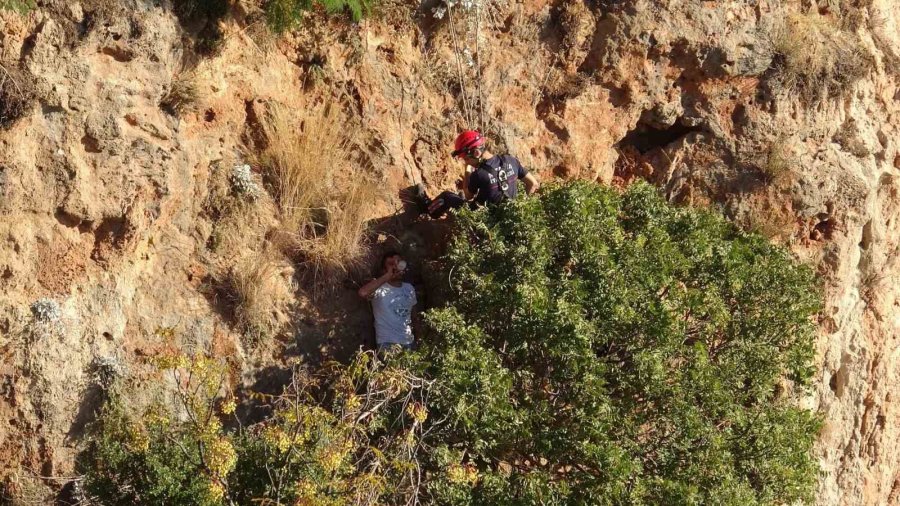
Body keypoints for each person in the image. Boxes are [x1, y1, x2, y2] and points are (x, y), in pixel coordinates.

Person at [416, 130, 540, 218]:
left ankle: (427, 209)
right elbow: (533, 184)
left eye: (466, 159)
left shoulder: (479, 174)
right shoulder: (511, 160)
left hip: (481, 219)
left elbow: (468, 196)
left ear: (476, 153)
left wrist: (467, 171)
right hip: (507, 218)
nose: (466, 161)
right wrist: (520, 207)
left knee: (447, 196)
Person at [357, 251, 417, 352]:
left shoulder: (409, 288)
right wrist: (388, 275)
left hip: (409, 342)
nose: (396, 266)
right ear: (383, 269)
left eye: (398, 262)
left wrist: (419, 339)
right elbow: (363, 293)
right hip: (387, 343)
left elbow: (414, 316)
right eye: (391, 264)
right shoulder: (379, 287)